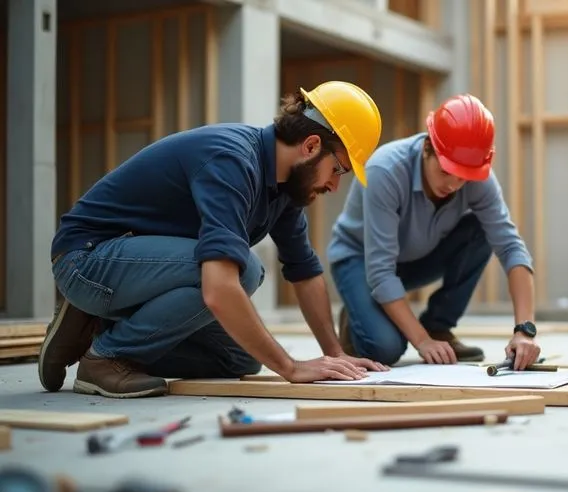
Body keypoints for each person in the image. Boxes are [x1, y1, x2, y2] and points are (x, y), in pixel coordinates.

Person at [39, 81, 390, 399]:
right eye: (339, 169)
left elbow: (304, 271)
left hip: (134, 272)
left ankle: (99, 326)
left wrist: (335, 354)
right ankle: (105, 358)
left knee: (238, 358)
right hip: (86, 260)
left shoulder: (284, 189)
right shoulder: (232, 160)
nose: (334, 186)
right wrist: (290, 367)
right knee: (243, 272)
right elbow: (219, 287)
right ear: (311, 146)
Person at [327, 93, 541, 369]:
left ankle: (438, 326)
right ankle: (359, 314)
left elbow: (511, 247)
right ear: (429, 146)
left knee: (481, 230)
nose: (453, 184)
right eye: (445, 171)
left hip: (414, 259)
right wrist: (422, 341)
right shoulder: (384, 170)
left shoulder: (476, 174)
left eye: (464, 176)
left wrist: (525, 331)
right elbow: (380, 271)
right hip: (360, 260)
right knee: (385, 347)